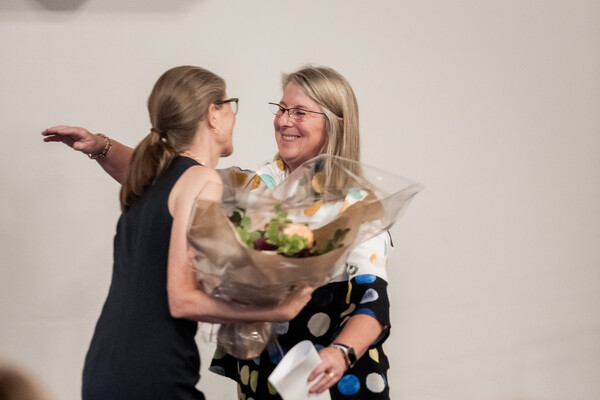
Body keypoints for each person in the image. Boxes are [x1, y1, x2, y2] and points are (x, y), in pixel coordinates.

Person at [42, 65, 392, 399]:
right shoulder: (251, 188)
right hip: (264, 380)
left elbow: (374, 302)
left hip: (334, 379)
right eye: (281, 109)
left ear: (335, 124)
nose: (284, 121)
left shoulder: (357, 206)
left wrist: (340, 353)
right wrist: (101, 147)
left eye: (299, 112)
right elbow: (168, 179)